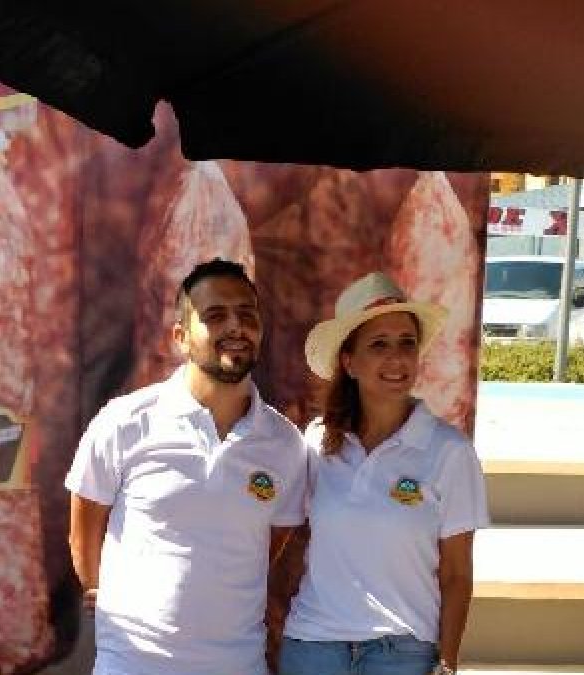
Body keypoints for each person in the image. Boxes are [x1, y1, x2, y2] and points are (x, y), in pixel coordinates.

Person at [65, 258, 308, 675]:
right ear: (181, 336)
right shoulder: (125, 421)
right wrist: (96, 588)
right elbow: (84, 524)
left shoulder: (286, 444)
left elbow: (271, 542)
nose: (235, 326)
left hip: (237, 663)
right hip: (132, 662)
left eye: (247, 314)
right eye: (215, 316)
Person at [279, 271, 489, 675]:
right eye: (379, 345)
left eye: (406, 344)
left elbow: (457, 574)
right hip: (312, 648)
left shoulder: (450, 452)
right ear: (349, 361)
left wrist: (447, 663)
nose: (396, 358)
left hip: (403, 654)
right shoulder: (318, 441)